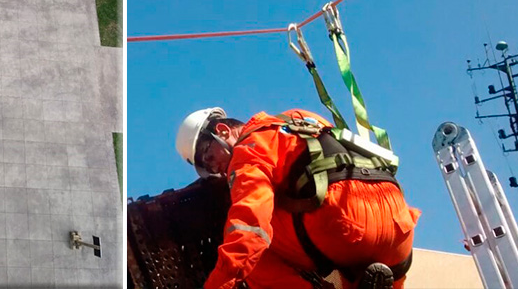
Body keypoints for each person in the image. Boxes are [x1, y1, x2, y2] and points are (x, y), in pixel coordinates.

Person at [176, 108, 421, 289]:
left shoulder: (248, 149)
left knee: (255, 248)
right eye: (206, 169)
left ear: (222, 130)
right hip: (400, 231)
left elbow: (250, 227)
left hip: (344, 226)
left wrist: (217, 285)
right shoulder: (299, 117)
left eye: (208, 157)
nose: (216, 169)